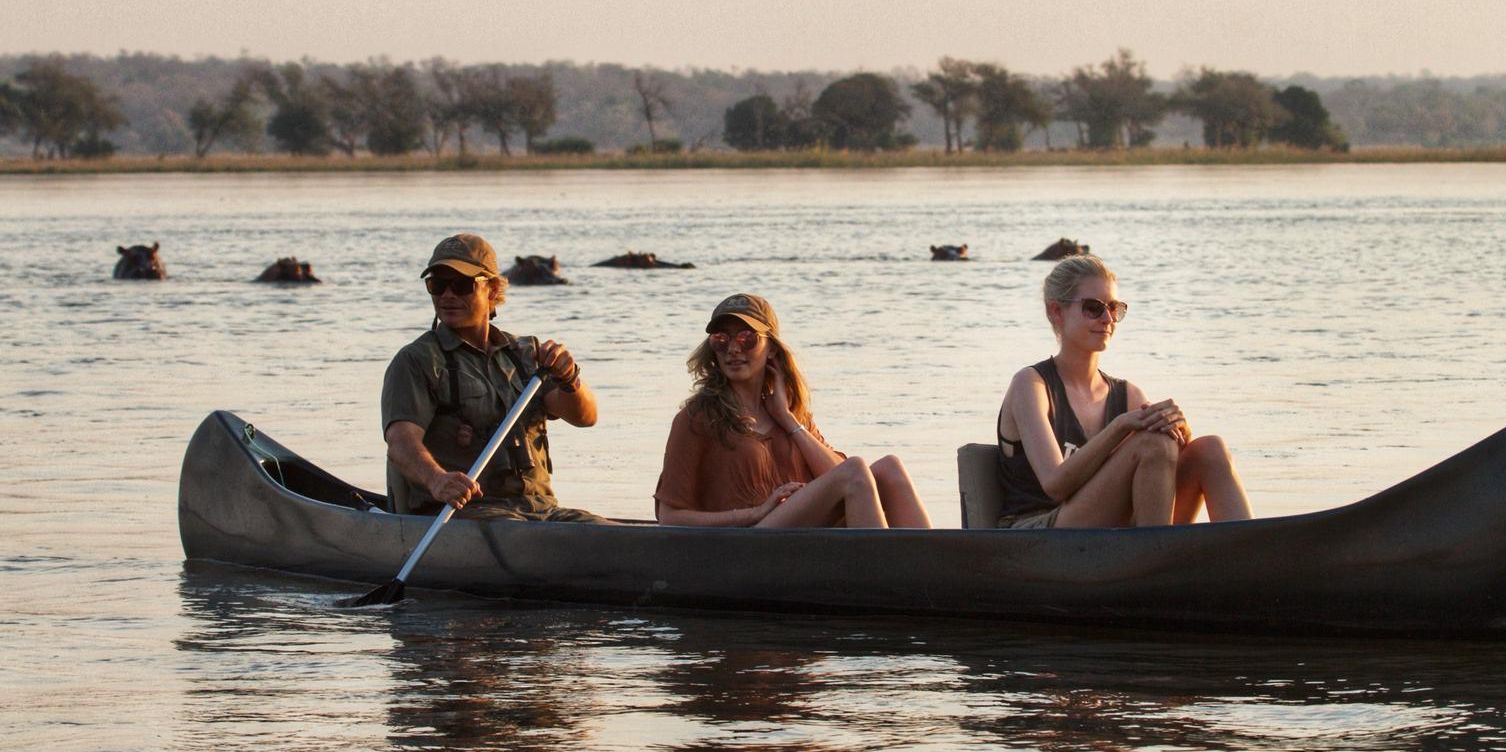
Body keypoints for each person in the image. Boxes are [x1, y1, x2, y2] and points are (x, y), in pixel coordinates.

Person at [994, 255, 1252, 528]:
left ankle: (1247, 555)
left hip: (1112, 532)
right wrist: (1118, 427)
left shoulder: (1128, 394)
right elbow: (1054, 485)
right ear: (1056, 311)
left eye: (1114, 308)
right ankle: (1157, 557)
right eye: (1093, 308)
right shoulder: (1031, 385)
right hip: (1037, 533)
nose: (1107, 318)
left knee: (1210, 449)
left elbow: (1164, 463)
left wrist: (1179, 432)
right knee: (1151, 442)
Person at [654, 293, 931, 529]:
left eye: (747, 338)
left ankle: (937, 573)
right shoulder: (697, 418)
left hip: (802, 539)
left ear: (771, 348)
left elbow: (842, 475)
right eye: (721, 340)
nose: (733, 349)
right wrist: (755, 512)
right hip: (745, 543)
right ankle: (890, 578)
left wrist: (788, 421)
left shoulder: (791, 412)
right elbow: (670, 517)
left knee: (889, 469)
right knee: (856, 470)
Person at [381, 233, 605, 522]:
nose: (447, 295)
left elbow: (585, 417)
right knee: (529, 541)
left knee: (615, 536)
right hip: (463, 515)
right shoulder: (416, 361)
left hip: (541, 511)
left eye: (461, 285)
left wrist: (569, 378)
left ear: (493, 289)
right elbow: (400, 442)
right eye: (437, 285)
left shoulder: (526, 354)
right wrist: (437, 480)